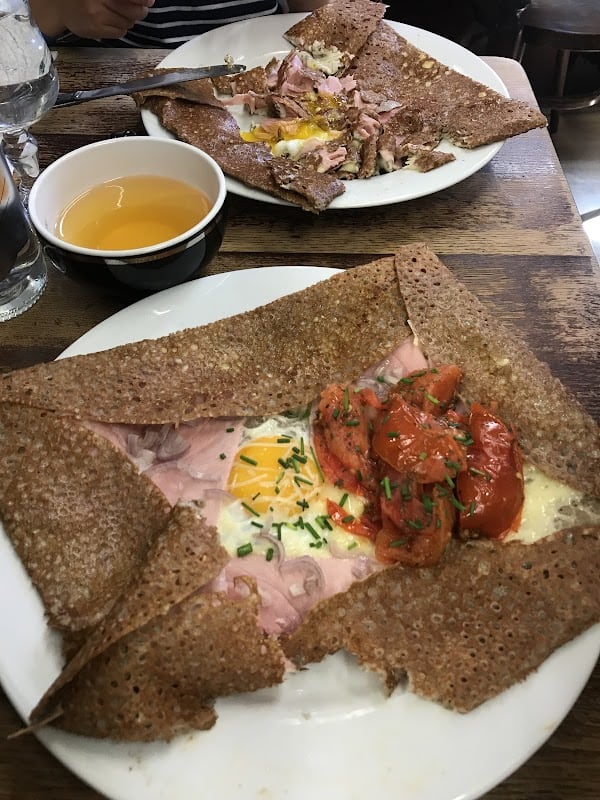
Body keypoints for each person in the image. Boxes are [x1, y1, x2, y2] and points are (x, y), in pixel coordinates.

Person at [30, 0, 328, 48]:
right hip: (125, 77)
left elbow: (314, 13)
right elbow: (33, 17)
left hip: (268, 63)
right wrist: (64, 7)